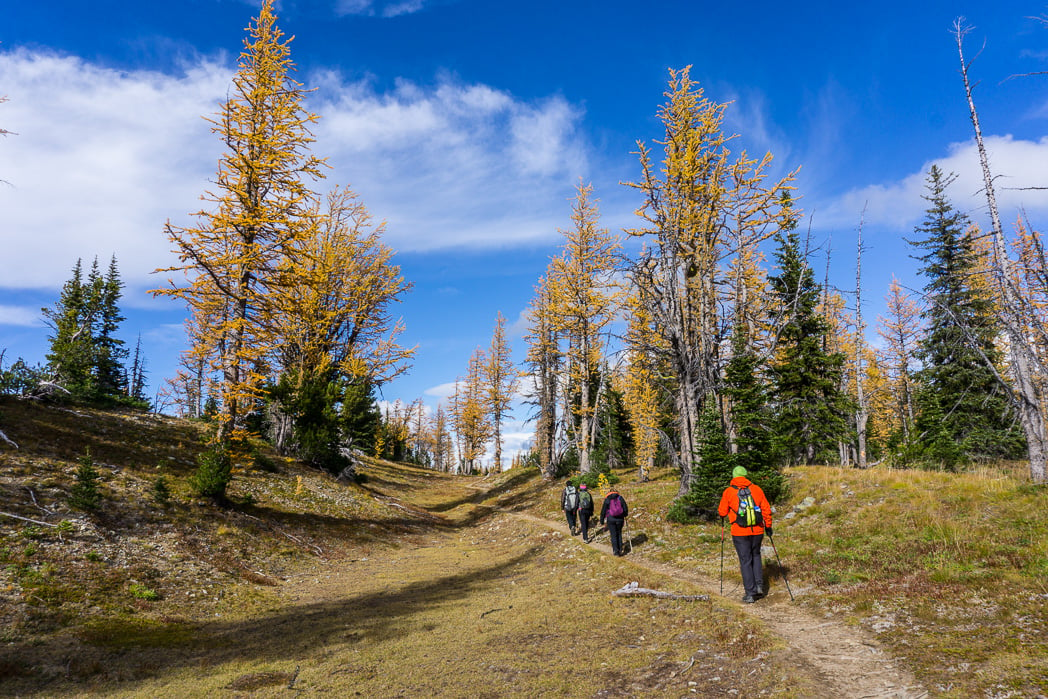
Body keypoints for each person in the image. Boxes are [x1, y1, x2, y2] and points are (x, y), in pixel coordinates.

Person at [718, 465, 773, 603]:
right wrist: (769, 526)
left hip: (739, 532)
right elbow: (766, 509)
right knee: (756, 556)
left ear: (734, 476)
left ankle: (750, 593)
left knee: (745, 560)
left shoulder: (729, 491)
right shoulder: (756, 489)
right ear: (745, 475)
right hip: (758, 530)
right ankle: (759, 586)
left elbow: (722, 512)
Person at [599, 488, 629, 556]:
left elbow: (603, 510)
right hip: (620, 519)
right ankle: (620, 549)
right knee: (619, 533)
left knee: (613, 535)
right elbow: (625, 508)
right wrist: (624, 515)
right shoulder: (620, 498)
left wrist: (602, 520)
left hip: (610, 519)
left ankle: (616, 551)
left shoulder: (607, 499)